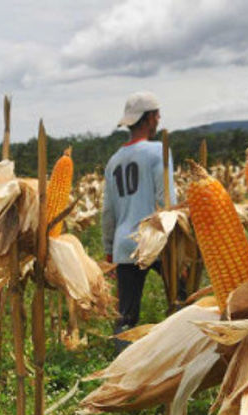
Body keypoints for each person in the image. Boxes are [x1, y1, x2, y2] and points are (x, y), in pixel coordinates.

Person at [101, 91, 175, 340]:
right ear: (149, 118)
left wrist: (109, 250)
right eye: (157, 115)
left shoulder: (113, 161)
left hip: (124, 243)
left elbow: (108, 212)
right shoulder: (158, 152)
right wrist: (178, 242)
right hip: (154, 238)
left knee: (126, 317)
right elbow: (167, 203)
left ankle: (121, 363)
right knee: (180, 301)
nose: (159, 119)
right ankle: (177, 351)